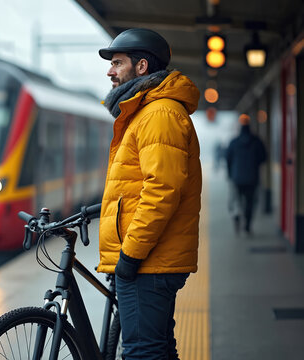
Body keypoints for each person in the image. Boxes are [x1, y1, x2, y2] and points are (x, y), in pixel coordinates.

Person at [97, 28, 202, 360]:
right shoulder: (147, 111)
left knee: (143, 353)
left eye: (117, 62)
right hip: (151, 259)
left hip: (150, 261)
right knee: (157, 349)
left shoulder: (159, 114)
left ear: (141, 67)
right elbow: (138, 183)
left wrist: (130, 255)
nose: (110, 71)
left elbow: (162, 191)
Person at [225, 114, 266, 235]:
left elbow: (228, 159)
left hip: (236, 177)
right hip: (252, 178)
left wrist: (230, 174)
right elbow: (263, 157)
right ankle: (247, 226)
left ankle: (237, 215)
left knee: (236, 200)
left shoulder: (234, 142)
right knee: (250, 202)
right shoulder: (257, 141)